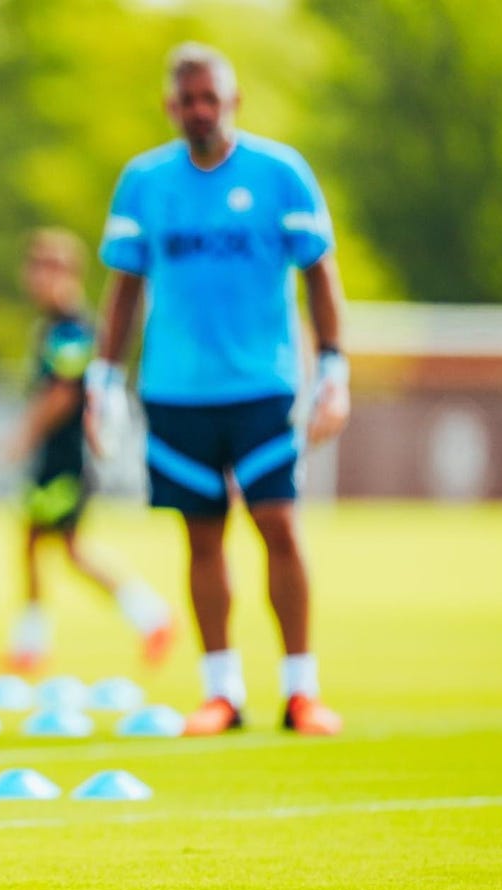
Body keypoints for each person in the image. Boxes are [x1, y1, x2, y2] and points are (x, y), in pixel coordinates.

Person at [88, 43, 350, 736]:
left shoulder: (280, 174)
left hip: (263, 386)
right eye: (188, 100)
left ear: (232, 100)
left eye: (212, 98)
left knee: (279, 526)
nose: (201, 111)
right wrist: (104, 380)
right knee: (200, 538)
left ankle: (301, 689)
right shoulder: (144, 182)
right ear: (171, 107)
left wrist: (334, 369)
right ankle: (222, 691)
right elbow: (124, 287)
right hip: (175, 391)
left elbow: (320, 274)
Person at [4, 228, 174, 672]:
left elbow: (62, 393)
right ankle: (35, 642)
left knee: (60, 546)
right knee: (44, 543)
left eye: (45, 268)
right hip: (60, 456)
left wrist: (24, 435)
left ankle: (148, 616)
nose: (36, 278)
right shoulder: (57, 324)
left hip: (68, 457)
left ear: (66, 273)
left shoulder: (73, 328)